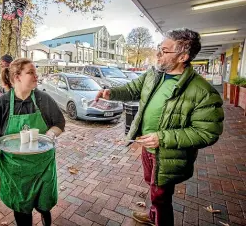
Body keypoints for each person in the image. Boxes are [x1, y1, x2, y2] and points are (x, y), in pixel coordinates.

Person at [95, 28, 224, 226]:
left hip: (168, 153)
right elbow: (131, 89)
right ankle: (153, 214)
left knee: (162, 197)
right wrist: (110, 93)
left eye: (164, 51)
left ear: (183, 56)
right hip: (148, 147)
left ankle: (159, 217)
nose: (157, 54)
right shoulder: (154, 75)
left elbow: (208, 132)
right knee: (153, 187)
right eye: (159, 48)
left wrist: (162, 138)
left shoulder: (203, 91)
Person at [0, 58, 65, 226]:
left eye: (36, 72)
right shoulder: (1, 104)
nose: (36, 76)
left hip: (43, 168)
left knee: (44, 205)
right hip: (16, 172)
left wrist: (51, 133)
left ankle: (45, 218)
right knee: (22, 211)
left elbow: (60, 124)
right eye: (31, 72)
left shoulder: (43, 99)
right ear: (17, 76)